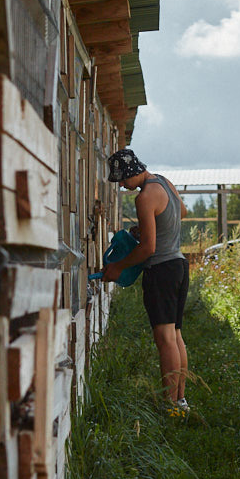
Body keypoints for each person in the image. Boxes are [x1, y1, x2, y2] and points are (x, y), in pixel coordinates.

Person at [101, 148, 191, 416]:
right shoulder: (164, 182)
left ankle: (170, 406)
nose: (122, 186)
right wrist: (151, 224)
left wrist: (117, 267)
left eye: (121, 180)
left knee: (164, 339)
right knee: (175, 336)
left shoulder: (144, 198)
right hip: (179, 265)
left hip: (161, 270)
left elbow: (148, 248)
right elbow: (181, 212)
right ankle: (181, 400)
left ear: (130, 172)